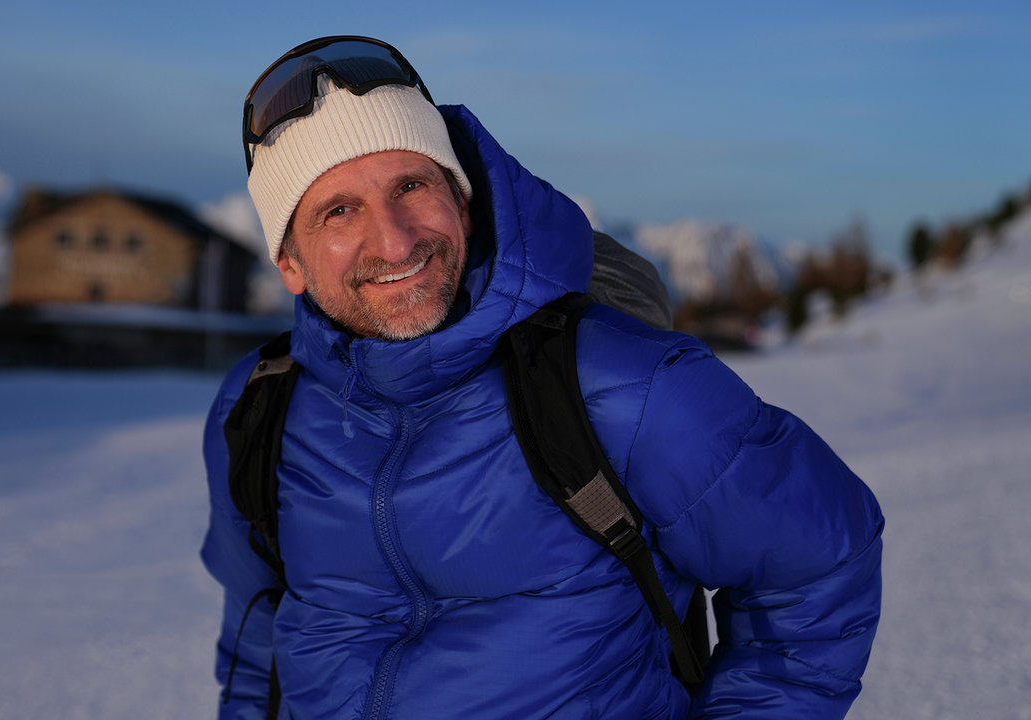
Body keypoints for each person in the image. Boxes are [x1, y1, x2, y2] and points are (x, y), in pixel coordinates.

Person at [201, 35, 883, 719]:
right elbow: (260, 636)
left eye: (412, 185)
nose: (396, 240)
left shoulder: (623, 384)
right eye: (338, 211)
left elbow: (821, 560)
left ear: (461, 200)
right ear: (289, 261)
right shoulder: (261, 409)